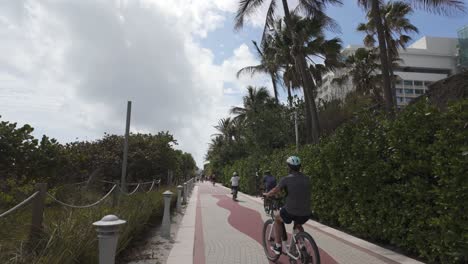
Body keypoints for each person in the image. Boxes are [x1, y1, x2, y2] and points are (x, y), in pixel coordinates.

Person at [263, 156, 311, 255]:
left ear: (289, 167)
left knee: (277, 218)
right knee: (298, 224)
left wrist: (267, 194)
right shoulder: (307, 179)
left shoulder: (286, 179)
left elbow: (275, 190)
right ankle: (302, 246)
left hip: (291, 210)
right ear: (299, 167)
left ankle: (278, 246)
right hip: (306, 212)